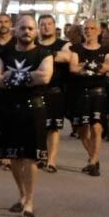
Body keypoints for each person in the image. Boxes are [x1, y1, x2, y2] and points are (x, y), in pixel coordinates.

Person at [0, 14, 53, 217]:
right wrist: (28, 77)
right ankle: (22, 194)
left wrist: (11, 76)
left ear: (36, 31)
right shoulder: (4, 53)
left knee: (30, 157)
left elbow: (45, 77)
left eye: (30, 29)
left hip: (34, 109)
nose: (27, 32)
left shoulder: (44, 53)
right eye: (23, 28)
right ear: (16, 30)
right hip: (9, 109)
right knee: (13, 156)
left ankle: (30, 202)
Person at [68, 19, 109, 176]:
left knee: (96, 127)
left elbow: (108, 67)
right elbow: (73, 68)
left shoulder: (107, 49)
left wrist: (84, 65)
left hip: (98, 92)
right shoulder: (76, 48)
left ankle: (93, 162)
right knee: (82, 130)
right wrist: (95, 66)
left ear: (99, 31)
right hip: (80, 92)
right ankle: (94, 157)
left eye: (92, 28)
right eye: (86, 28)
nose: (89, 31)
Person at [35, 14, 71, 172]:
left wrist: (42, 54)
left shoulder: (64, 43)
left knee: (53, 128)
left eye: (49, 24)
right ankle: (40, 156)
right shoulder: (33, 43)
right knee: (37, 126)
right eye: (43, 24)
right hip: (36, 91)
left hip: (55, 91)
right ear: (39, 26)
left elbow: (67, 57)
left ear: (54, 26)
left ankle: (51, 161)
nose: (46, 27)